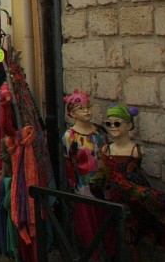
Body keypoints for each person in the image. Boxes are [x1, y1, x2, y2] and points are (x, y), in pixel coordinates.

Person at [94, 104, 165, 250]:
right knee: (116, 235)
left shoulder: (135, 150)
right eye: (108, 123)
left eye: (117, 123)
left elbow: (135, 176)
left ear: (128, 125)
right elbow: (103, 172)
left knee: (133, 237)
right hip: (115, 197)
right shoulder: (106, 149)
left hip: (134, 197)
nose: (112, 127)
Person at [61, 90, 107, 250]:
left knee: (106, 225)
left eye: (88, 107)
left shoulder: (100, 132)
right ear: (72, 113)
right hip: (83, 188)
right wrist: (74, 186)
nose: (86, 111)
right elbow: (69, 163)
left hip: (103, 186)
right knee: (88, 228)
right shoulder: (70, 137)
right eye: (81, 108)